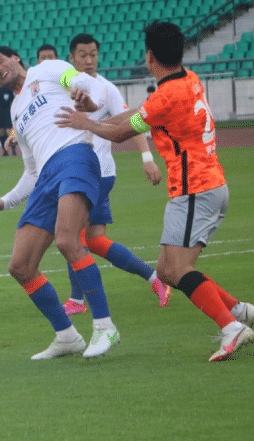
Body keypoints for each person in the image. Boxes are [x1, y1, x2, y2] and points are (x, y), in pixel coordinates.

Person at [56, 21, 254, 362]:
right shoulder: (188, 79)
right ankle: (237, 310)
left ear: (150, 57)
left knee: (178, 270)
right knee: (166, 270)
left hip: (195, 189)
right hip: (203, 186)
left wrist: (86, 123)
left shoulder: (165, 96)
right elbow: (139, 115)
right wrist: (98, 115)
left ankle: (231, 327)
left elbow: (122, 133)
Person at [0, 45, 120, 360]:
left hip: (74, 155)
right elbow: (31, 172)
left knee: (68, 240)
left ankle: (105, 325)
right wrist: (4, 201)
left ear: (15, 58)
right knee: (20, 266)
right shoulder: (16, 110)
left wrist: (86, 97)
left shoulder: (47, 69)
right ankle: (67, 336)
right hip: (46, 176)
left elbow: (83, 81)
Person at [61, 33, 170, 315]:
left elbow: (134, 122)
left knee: (72, 235)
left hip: (96, 173)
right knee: (95, 241)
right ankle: (154, 278)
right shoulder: (63, 87)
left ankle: (77, 300)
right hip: (79, 172)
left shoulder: (106, 89)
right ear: (71, 58)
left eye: (93, 54)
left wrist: (147, 158)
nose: (89, 60)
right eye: (83, 55)